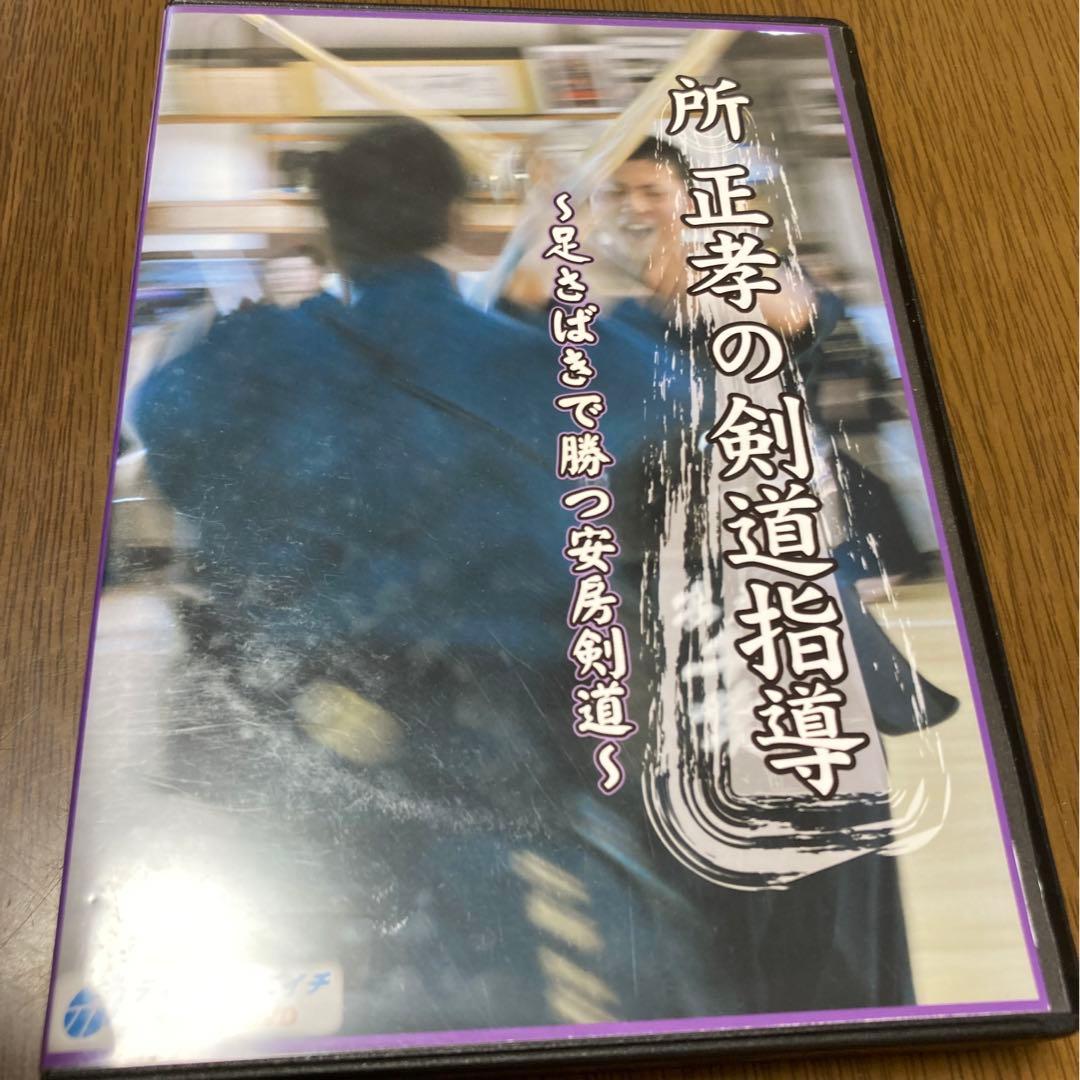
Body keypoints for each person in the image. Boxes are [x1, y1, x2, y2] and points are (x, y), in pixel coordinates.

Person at [132, 120, 719, 1033]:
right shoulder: (541, 360)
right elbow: (682, 399)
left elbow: (162, 428)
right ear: (451, 217)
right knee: (540, 984)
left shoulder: (249, 361)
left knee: (312, 984)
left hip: (313, 728)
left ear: (328, 229)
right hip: (510, 735)